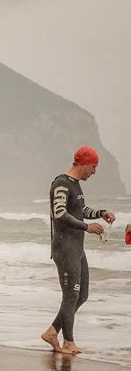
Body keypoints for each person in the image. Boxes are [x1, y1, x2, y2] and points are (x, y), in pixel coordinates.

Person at [43, 147, 115, 355]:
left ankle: (52, 332)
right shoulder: (61, 184)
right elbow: (60, 214)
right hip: (65, 249)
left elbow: (79, 210)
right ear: (83, 164)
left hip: (76, 248)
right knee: (70, 296)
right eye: (93, 167)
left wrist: (100, 213)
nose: (94, 172)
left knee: (81, 295)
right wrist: (86, 227)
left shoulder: (75, 185)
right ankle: (68, 342)